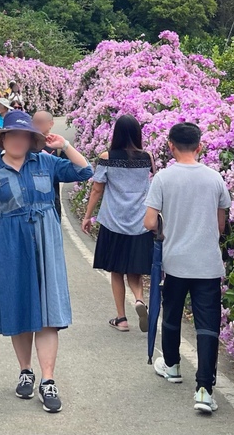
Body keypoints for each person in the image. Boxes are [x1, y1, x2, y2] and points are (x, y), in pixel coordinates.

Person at [0, 110, 94, 414]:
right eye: (12, 135)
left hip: (47, 243)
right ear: (3, 138)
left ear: (32, 139)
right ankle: (25, 371)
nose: (18, 140)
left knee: (47, 312)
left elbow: (86, 172)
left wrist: (64, 146)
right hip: (11, 242)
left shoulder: (46, 162)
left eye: (24, 135)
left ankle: (48, 380)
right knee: (18, 306)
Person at [144, 122, 232, 415]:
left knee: (171, 315)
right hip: (207, 264)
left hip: (176, 262)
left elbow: (149, 222)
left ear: (170, 145)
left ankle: (172, 366)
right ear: (200, 146)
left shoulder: (163, 178)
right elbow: (221, 226)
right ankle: (205, 389)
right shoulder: (215, 178)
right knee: (207, 327)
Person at [82, 115, 155, 333]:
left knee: (116, 270)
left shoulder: (107, 157)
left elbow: (97, 189)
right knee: (135, 269)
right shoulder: (147, 158)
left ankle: (121, 319)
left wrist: (87, 216)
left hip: (114, 221)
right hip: (139, 221)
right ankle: (140, 299)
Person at [33, 111, 66, 219]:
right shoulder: (27, 144)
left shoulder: (58, 145)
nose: (36, 125)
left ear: (51, 124)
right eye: (34, 122)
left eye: (40, 122)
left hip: (51, 199)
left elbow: (68, 171)